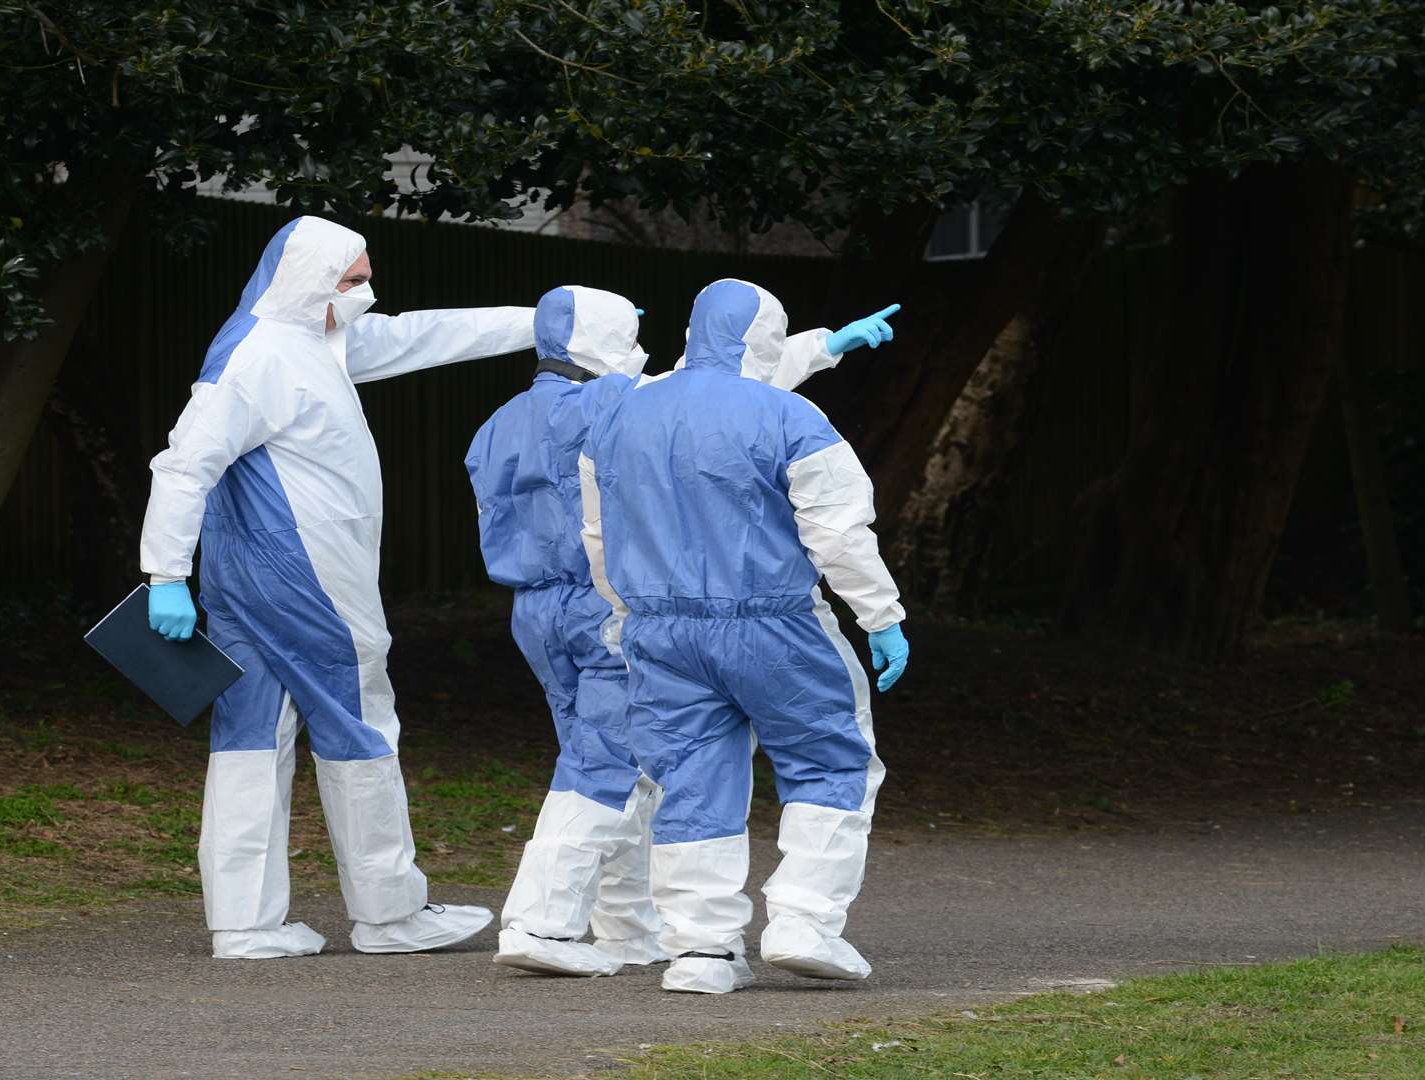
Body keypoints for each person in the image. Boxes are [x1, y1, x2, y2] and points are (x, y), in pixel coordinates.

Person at [138, 215, 536, 960]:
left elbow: (424, 335)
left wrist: (541, 320)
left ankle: (246, 925)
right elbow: (183, 464)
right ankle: (390, 914)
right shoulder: (260, 358)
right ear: (311, 281)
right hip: (308, 578)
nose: (365, 293)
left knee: (250, 736)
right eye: (352, 281)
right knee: (359, 723)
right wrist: (163, 574)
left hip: (246, 575)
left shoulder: (309, 339)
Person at [580, 278, 909, 995]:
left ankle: (700, 951)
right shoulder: (791, 417)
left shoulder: (620, 416)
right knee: (831, 761)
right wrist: (881, 617)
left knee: (692, 777)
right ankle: (803, 923)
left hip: (658, 632)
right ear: (764, 335)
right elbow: (840, 533)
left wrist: (624, 611)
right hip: (776, 624)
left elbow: (599, 533)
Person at [464, 286, 664, 977]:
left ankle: (628, 926)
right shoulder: (617, 401)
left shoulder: (498, 422)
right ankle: (541, 924)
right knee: (607, 760)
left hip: (533, 609)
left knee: (605, 758)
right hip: (607, 602)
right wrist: (814, 351)